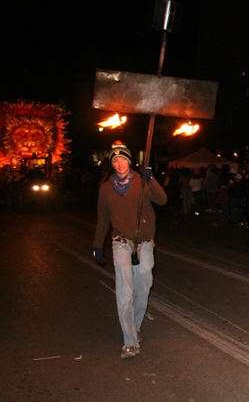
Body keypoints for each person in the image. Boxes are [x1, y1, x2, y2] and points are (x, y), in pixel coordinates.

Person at [93, 141, 167, 359]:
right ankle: (130, 341)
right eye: (115, 160)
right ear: (112, 165)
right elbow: (102, 219)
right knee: (125, 291)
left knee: (143, 286)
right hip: (121, 243)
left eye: (123, 159)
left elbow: (163, 200)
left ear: (129, 161)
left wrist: (150, 179)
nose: (120, 163)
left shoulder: (142, 181)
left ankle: (134, 327)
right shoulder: (105, 188)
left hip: (144, 243)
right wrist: (98, 245)